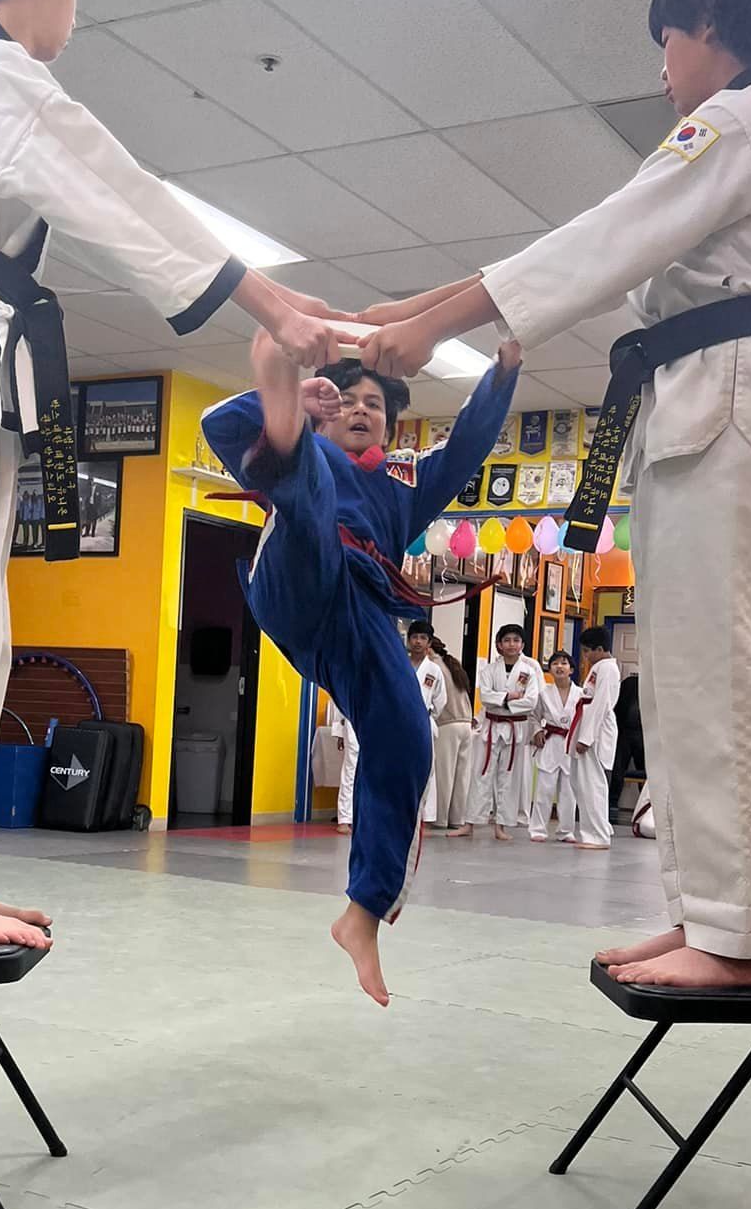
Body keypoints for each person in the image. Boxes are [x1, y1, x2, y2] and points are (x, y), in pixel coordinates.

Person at [0, 0, 348, 949]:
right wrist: (267, 299)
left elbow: (112, 192)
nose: (74, 12)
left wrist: (268, 294)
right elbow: (122, 195)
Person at [358, 0, 751, 990]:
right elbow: (605, 239)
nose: (661, 71)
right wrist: (423, 307)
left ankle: (741, 935)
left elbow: (602, 238)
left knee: (725, 673)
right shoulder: (744, 129)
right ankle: (704, 911)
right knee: (680, 682)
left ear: (709, 19)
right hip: (698, 410)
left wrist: (435, 325)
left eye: (666, 40)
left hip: (740, 412)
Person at [203, 333, 522, 1005]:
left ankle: (364, 911)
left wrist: (503, 374)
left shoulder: (401, 493)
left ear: (389, 422)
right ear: (322, 409)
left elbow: (463, 452)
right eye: (345, 399)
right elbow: (218, 426)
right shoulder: (312, 449)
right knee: (306, 484)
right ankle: (286, 413)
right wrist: (286, 402)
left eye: (373, 404)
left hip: (362, 613)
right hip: (296, 575)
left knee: (407, 734)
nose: (360, 410)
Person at [471, 623, 544, 842]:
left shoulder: (529, 671)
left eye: (516, 640)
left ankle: (501, 825)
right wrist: (507, 697)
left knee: (508, 777)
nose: (511, 645)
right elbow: (485, 697)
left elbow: (531, 701)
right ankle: (470, 822)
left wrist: (501, 701)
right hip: (491, 727)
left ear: (522, 644)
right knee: (481, 774)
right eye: (507, 640)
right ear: (499, 645)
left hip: (516, 729)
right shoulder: (488, 670)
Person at [572, 624, 621, 848]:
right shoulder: (600, 667)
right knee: (583, 784)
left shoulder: (608, 669)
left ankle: (599, 835)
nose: (585, 656)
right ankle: (590, 832)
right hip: (589, 724)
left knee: (594, 785)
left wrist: (586, 737)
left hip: (598, 732)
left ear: (599, 649)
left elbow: (601, 704)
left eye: (587, 651)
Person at [530, 649, 582, 842]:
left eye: (564, 663)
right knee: (544, 790)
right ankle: (537, 829)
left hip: (571, 744)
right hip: (551, 743)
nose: (560, 667)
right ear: (550, 669)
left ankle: (566, 831)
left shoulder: (581, 693)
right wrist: (536, 731)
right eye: (555, 664)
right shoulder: (543, 693)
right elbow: (534, 717)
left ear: (571, 669)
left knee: (569, 792)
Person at [429, 635, 475, 838]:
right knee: (461, 776)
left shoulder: (432, 666)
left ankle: (440, 819)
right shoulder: (452, 663)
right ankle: (457, 818)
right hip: (466, 723)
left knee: (444, 775)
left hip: (448, 723)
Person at [406, 620, 446, 823]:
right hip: (399, 723)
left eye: (423, 638)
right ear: (408, 640)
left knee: (426, 768)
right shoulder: (399, 664)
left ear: (429, 642)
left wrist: (427, 716)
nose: (418, 642)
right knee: (401, 766)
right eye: (414, 637)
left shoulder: (434, 670)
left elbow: (440, 701)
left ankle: (425, 816)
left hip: (423, 721)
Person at [608, 670, 645, 817]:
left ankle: (647, 804)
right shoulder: (629, 683)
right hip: (625, 732)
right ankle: (612, 802)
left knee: (646, 771)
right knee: (618, 769)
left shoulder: (655, 686)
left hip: (643, 733)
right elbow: (617, 705)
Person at [329, 701, 358, 835]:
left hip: (376, 721)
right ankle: (344, 820)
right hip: (353, 720)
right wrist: (339, 733)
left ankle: (365, 818)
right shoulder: (350, 679)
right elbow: (338, 700)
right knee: (350, 772)